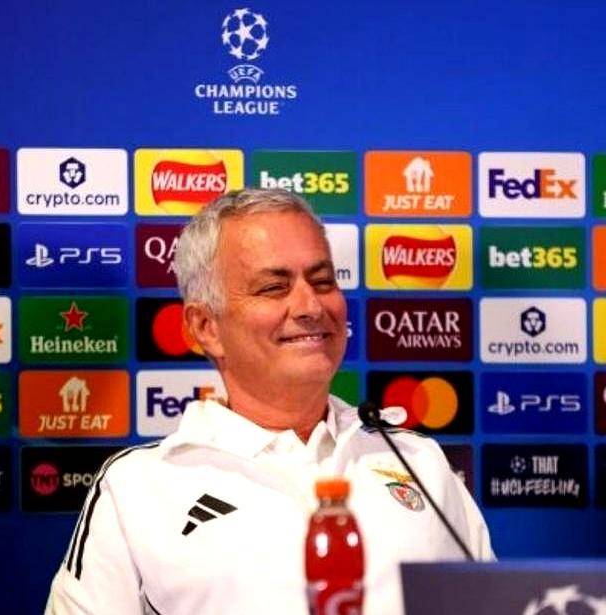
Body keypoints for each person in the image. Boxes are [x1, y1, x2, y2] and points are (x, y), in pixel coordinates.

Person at [45, 188, 493, 615]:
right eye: (274, 288)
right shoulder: (137, 486)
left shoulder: (417, 459)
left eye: (322, 281)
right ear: (206, 328)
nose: (310, 306)